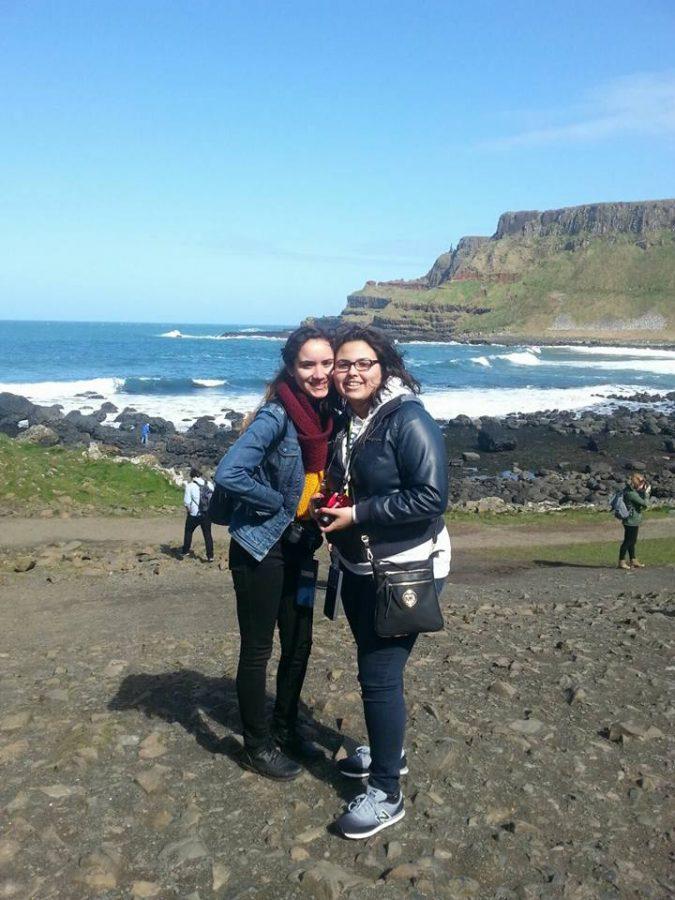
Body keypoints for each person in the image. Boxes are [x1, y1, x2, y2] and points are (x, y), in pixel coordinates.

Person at [317, 324, 450, 839]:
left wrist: (358, 514)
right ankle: (387, 751)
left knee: (379, 676)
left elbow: (431, 497)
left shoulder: (408, 418)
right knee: (375, 670)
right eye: (342, 364)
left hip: (405, 570)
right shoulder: (352, 419)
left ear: (384, 366)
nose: (351, 373)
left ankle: (386, 793)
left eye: (362, 363)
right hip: (359, 566)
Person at [214, 326, 334, 781]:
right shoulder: (277, 416)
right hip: (260, 548)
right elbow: (230, 472)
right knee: (258, 649)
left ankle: (285, 729)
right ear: (291, 367)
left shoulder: (326, 416)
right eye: (308, 364)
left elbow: (317, 479)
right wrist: (279, 504)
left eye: (326, 363)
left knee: (300, 643)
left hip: (301, 546)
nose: (319, 373)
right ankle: (257, 745)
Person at [181, 467, 214, 562]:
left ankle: (185, 551)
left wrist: (189, 511)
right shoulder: (210, 484)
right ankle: (210, 556)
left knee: (188, 531)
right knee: (207, 534)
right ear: (200, 475)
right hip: (207, 513)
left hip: (195, 514)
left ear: (192, 476)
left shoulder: (190, 486)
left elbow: (187, 502)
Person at [618, 473, 650, 570]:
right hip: (631, 520)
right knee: (628, 541)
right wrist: (646, 493)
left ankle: (633, 560)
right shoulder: (631, 494)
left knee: (632, 541)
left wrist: (641, 490)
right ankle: (621, 561)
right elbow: (645, 504)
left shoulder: (628, 490)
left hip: (632, 519)